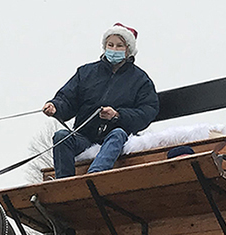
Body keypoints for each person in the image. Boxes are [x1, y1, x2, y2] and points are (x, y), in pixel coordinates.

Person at [44, 23, 159, 179]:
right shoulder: (86, 72)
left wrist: (118, 115)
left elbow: (147, 111)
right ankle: (64, 182)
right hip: (84, 136)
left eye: (119, 46)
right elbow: (68, 98)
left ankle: (94, 176)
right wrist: (55, 106)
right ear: (104, 46)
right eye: (110, 45)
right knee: (61, 137)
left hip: (116, 137)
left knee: (117, 134)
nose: (114, 49)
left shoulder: (140, 80)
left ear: (128, 50)